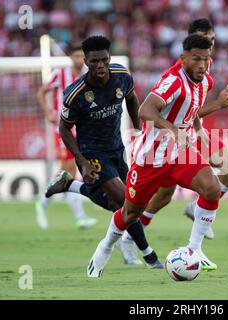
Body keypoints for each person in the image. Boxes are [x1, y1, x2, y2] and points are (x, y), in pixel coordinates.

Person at [87, 34, 221, 278]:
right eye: (196, 59)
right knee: (130, 213)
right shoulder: (172, 81)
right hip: (151, 158)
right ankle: (105, 247)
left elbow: (193, 109)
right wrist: (172, 130)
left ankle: (194, 250)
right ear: (183, 59)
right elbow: (145, 110)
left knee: (212, 188)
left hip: (180, 153)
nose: (202, 64)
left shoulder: (205, 81)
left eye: (206, 59)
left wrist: (197, 130)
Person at [45, 35, 163, 268]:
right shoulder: (75, 93)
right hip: (91, 154)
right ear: (86, 62)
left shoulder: (121, 76)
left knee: (118, 204)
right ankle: (148, 254)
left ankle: (71, 186)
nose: (100, 66)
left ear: (109, 58)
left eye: (103, 60)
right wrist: (82, 162)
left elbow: (131, 97)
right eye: (94, 61)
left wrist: (139, 126)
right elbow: (64, 129)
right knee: (125, 201)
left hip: (117, 148)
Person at [126, 19, 228, 241]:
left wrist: (199, 131)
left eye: (211, 39)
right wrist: (217, 105)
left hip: (192, 134)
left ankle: (196, 209)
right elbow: (164, 111)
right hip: (167, 139)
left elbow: (193, 110)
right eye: (204, 38)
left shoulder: (205, 72)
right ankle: (132, 236)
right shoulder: (178, 73)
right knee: (163, 196)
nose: (209, 42)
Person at [35, 45, 97, 230]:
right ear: (71, 57)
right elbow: (42, 91)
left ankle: (48, 204)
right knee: (69, 167)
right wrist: (47, 111)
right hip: (64, 127)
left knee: (71, 171)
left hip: (83, 127)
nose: (79, 59)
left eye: (81, 56)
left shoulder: (89, 75)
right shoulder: (60, 74)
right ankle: (50, 204)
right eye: (76, 56)